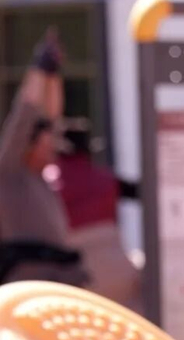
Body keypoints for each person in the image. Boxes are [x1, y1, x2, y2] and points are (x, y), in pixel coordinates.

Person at [0, 31, 89, 287]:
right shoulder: (10, 173)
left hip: (62, 282)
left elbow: (51, 116)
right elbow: (24, 113)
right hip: (29, 289)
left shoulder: (41, 176)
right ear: (28, 144)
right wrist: (39, 68)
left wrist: (53, 74)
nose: (54, 145)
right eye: (46, 140)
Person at [55, 120, 143, 310]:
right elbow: (143, 193)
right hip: (119, 269)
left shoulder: (47, 184)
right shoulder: (107, 179)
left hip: (77, 276)